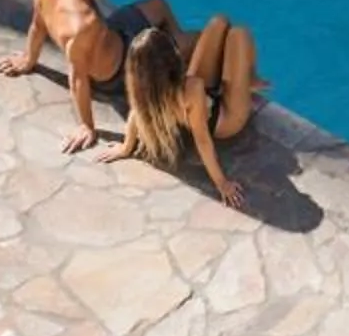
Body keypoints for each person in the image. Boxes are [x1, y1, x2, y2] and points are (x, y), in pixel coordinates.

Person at [0, 0, 176, 153]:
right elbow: (78, 77)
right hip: (121, 67)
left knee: (159, 4)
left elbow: (38, 23)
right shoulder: (84, 24)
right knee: (181, 39)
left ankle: (174, 51)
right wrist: (87, 126)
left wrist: (29, 60)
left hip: (115, 32)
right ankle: (178, 60)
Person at [102, 15, 265, 210]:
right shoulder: (192, 88)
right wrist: (222, 183)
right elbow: (203, 140)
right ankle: (247, 80)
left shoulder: (143, 89)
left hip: (199, 102)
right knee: (239, 34)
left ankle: (236, 78)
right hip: (224, 120)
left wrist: (126, 148)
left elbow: (135, 115)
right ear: (171, 56)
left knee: (218, 23)